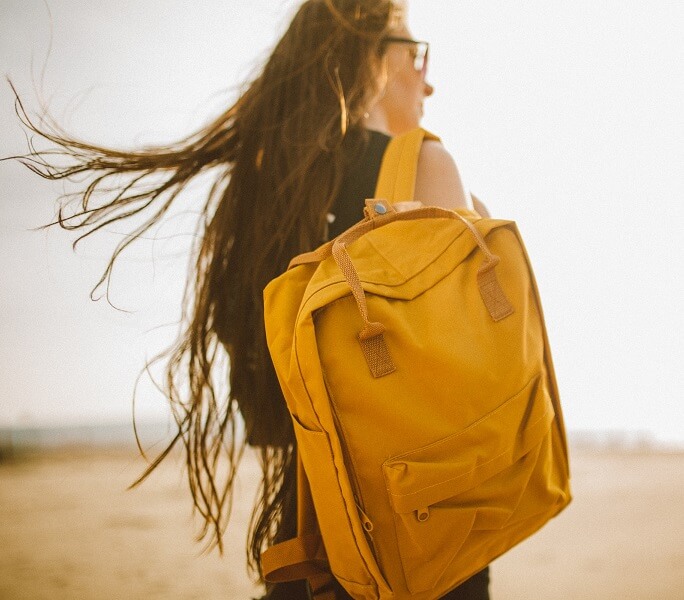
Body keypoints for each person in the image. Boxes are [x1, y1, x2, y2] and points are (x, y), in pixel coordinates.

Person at [7, 1, 491, 597]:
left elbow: (261, 399)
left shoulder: (265, 192)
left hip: (302, 534)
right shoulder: (426, 166)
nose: (428, 77)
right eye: (414, 53)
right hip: (419, 531)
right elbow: (471, 380)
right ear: (367, 55)